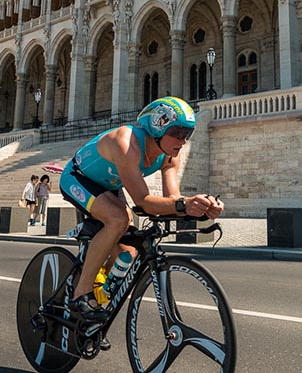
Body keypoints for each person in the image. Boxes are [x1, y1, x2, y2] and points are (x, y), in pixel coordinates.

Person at [58, 96, 222, 322]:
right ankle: (80, 293)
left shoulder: (170, 156)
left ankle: (97, 307)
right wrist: (185, 204)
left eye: (187, 134)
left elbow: (172, 200)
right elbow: (143, 201)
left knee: (128, 254)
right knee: (118, 219)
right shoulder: (127, 143)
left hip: (108, 187)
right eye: (177, 132)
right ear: (157, 125)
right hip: (78, 177)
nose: (182, 140)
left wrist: (202, 206)